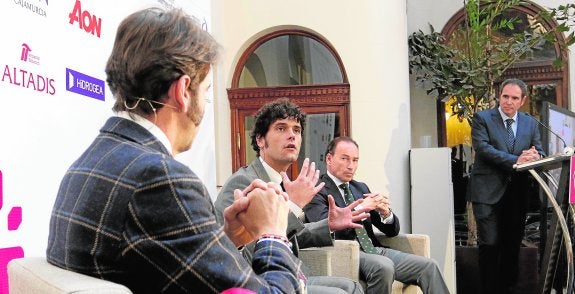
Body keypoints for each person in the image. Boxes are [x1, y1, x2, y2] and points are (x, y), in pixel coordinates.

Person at [46, 7, 306, 293]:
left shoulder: (88, 162)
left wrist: (225, 237)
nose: (205, 105)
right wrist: (273, 234)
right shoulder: (160, 179)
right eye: (205, 92)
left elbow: (157, 266)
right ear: (183, 91)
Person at [214, 98, 368, 294]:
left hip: (291, 273)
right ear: (260, 140)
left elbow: (294, 235)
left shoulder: (283, 182)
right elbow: (235, 253)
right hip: (259, 282)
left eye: (296, 130)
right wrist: (294, 205)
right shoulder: (245, 182)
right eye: (281, 128)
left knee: (352, 286)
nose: (291, 136)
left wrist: (328, 225)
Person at [304, 136, 450, 294]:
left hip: (374, 249)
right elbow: (322, 228)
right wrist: (361, 207)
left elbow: (391, 231)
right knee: (383, 266)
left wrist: (386, 213)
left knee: (430, 266)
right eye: (345, 159)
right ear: (329, 159)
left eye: (355, 160)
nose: (351, 166)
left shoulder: (359, 187)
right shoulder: (317, 189)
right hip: (345, 252)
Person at [468, 78, 544, 294]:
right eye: (505, 96)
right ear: (499, 96)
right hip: (487, 192)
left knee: (511, 247)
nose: (508, 102)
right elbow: (483, 148)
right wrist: (516, 160)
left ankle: (507, 289)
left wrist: (535, 155)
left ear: (523, 101)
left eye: (514, 98)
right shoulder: (482, 118)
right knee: (490, 245)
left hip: (516, 194)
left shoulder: (530, 122)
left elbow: (539, 150)